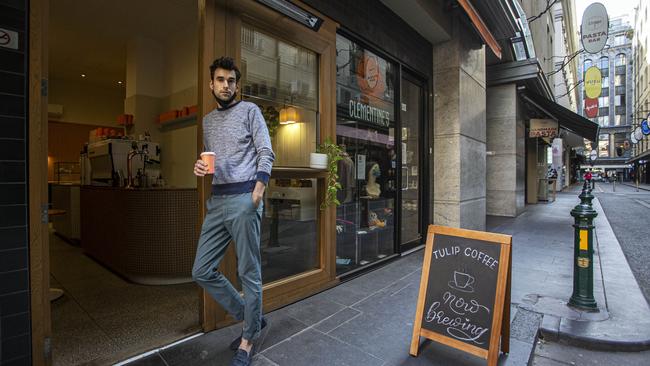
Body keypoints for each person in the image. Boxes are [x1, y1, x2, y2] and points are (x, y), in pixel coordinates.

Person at [192, 56, 274, 366]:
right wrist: (200, 166)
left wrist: (257, 192)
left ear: (236, 85)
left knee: (248, 272)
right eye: (221, 80)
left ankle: (248, 338)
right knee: (201, 270)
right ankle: (251, 317)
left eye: (231, 81)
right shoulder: (208, 121)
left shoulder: (250, 111)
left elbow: (266, 150)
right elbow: (209, 159)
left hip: (244, 198)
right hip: (217, 200)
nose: (226, 85)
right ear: (211, 84)